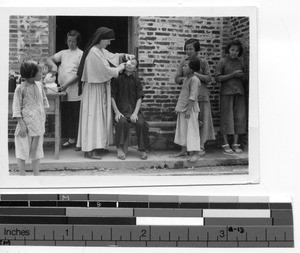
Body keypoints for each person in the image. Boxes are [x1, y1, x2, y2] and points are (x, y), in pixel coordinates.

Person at [76, 27, 135, 159]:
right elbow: (105, 70)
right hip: (93, 90)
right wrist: (120, 68)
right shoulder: (93, 52)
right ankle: (88, 150)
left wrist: (125, 56)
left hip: (100, 89)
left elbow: (113, 56)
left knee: (99, 119)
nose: (109, 43)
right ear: (101, 39)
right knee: (92, 118)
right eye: (108, 40)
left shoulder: (100, 50)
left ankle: (98, 146)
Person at [175, 38, 215, 156]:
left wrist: (195, 75)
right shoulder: (184, 62)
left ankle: (201, 145)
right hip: (188, 96)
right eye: (186, 49)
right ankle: (186, 147)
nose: (188, 51)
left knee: (202, 120)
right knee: (190, 122)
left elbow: (209, 78)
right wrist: (187, 78)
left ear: (196, 49)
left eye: (191, 49)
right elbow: (177, 78)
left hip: (201, 95)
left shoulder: (202, 62)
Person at [46, 30, 83, 150]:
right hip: (63, 89)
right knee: (66, 114)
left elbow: (80, 74)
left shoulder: (81, 54)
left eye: (73, 41)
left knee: (75, 115)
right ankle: (70, 139)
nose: (70, 43)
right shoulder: (63, 53)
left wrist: (67, 84)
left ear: (77, 41)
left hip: (75, 89)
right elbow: (49, 59)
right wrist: (55, 66)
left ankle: (78, 141)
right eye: (69, 41)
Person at [12, 60, 50, 175]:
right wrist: (21, 124)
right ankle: (22, 174)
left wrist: (44, 115)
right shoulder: (20, 88)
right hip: (25, 125)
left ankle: (36, 174)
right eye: (39, 71)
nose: (41, 73)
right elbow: (16, 107)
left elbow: (44, 100)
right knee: (22, 149)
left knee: (37, 151)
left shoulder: (39, 85)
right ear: (32, 73)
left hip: (38, 124)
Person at [111, 59, 149, 160]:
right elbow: (112, 97)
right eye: (128, 62)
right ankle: (119, 148)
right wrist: (116, 112)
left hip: (134, 112)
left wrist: (135, 113)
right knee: (121, 121)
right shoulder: (117, 79)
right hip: (121, 111)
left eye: (133, 64)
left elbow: (139, 98)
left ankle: (142, 149)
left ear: (135, 69)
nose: (129, 64)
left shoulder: (136, 81)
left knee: (141, 123)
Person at [215, 40, 247, 154]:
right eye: (232, 50)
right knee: (226, 117)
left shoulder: (241, 63)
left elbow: (245, 79)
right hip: (226, 93)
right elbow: (217, 78)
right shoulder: (222, 62)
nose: (234, 52)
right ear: (228, 50)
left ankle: (236, 143)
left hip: (239, 92)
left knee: (239, 117)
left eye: (237, 51)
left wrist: (242, 76)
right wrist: (232, 75)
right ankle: (225, 143)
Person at [174, 58, 201, 163]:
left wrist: (189, 110)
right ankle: (184, 150)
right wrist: (179, 108)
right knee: (183, 129)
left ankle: (196, 153)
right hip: (183, 108)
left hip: (191, 109)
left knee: (192, 130)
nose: (183, 68)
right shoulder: (186, 79)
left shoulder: (195, 79)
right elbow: (183, 95)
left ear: (192, 69)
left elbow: (192, 96)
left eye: (185, 66)